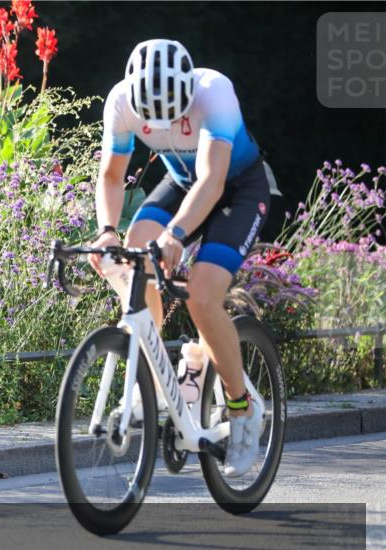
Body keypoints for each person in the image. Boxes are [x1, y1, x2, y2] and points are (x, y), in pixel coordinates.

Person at [91, 38, 272, 477]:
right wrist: (106, 232)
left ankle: (242, 408)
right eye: (154, 117)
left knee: (202, 296)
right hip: (181, 183)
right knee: (134, 259)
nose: (166, 123)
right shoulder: (119, 101)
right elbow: (112, 176)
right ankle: (155, 384)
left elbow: (211, 181)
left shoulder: (214, 93)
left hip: (237, 187)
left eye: (174, 113)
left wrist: (176, 234)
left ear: (187, 93)